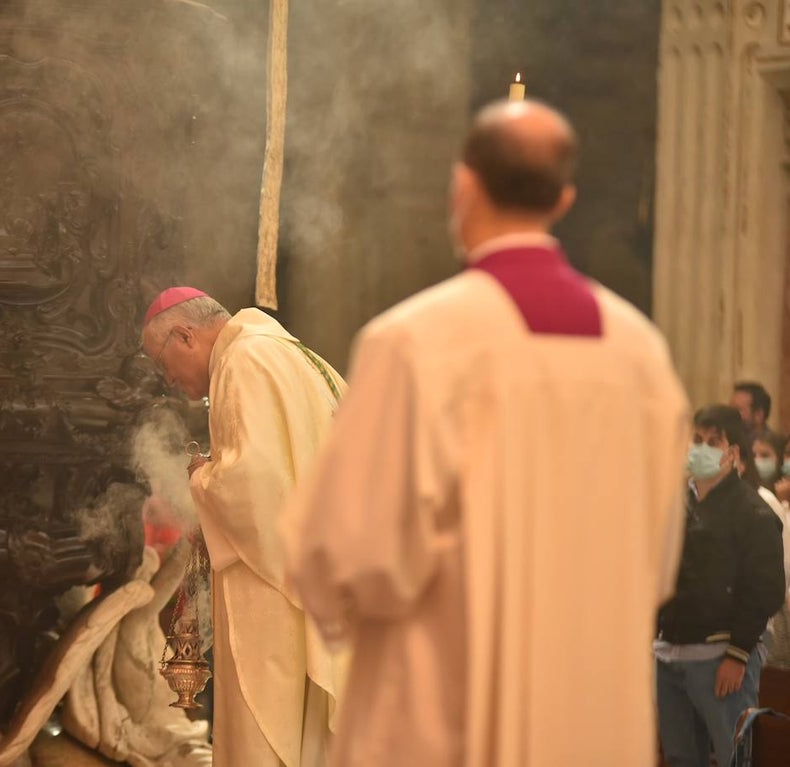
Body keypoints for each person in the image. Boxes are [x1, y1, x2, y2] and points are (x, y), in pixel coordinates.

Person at [283, 100, 690, 766]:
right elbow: (658, 556)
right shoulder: (641, 353)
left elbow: (341, 549)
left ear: (462, 184)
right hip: (590, 706)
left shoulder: (414, 342)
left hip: (442, 702)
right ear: (563, 199)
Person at [141, 287, 347, 767]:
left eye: (162, 361)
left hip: (272, 591)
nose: (167, 379)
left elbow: (255, 485)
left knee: (267, 735)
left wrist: (200, 477)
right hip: (318, 577)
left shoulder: (243, 363)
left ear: (185, 335)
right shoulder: (300, 358)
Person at [655, 405, 785, 766]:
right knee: (681, 756)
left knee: (733, 757)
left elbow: (765, 590)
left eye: (713, 442)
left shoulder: (753, 512)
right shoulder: (676, 506)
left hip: (720, 658)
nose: (702, 448)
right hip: (670, 653)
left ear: (731, 454)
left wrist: (738, 653)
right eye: (696, 440)